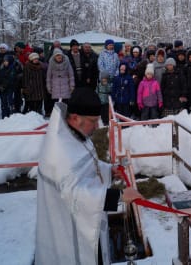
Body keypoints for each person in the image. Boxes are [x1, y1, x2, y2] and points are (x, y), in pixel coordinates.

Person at [35, 87, 142, 265]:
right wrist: (120, 196)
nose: (97, 126)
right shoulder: (59, 150)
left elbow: (87, 164)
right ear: (75, 118)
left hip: (87, 222)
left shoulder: (75, 134)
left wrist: (109, 169)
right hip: (69, 232)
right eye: (93, 121)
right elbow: (74, 195)